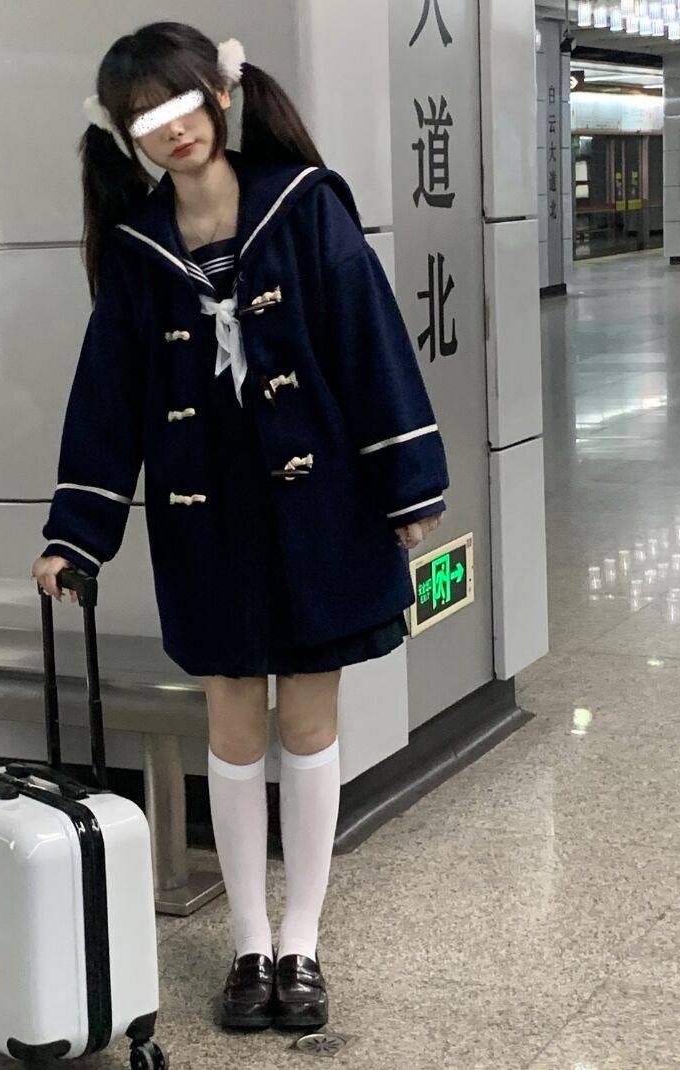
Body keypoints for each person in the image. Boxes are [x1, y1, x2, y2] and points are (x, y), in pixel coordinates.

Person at [31, 21, 448, 1034]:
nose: (172, 128)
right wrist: (75, 533)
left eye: (183, 103)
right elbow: (107, 397)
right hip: (204, 522)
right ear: (123, 135)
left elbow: (371, 345)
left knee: (306, 726)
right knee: (229, 728)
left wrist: (407, 489)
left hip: (322, 510)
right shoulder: (135, 248)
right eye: (145, 118)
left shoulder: (304, 206)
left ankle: (301, 939)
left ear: (219, 95)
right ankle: (247, 943)